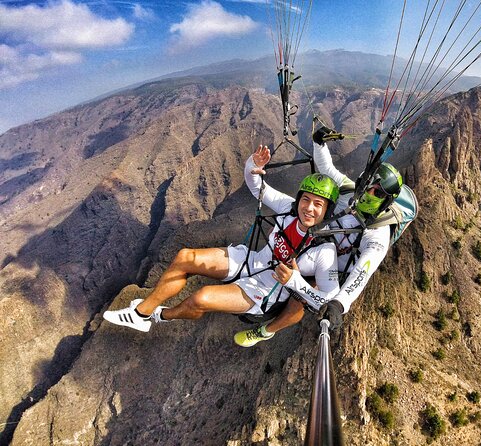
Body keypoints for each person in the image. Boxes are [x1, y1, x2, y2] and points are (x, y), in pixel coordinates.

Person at [103, 145, 341, 338]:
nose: (309, 208)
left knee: (201, 298)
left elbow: (328, 299)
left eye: (318, 204)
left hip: (264, 291)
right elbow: (257, 186)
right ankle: (141, 314)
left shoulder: (325, 250)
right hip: (251, 261)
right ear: (299, 199)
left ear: (327, 210)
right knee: (185, 256)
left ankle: (162, 315)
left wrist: (295, 281)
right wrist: (253, 165)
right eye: (306, 199)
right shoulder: (288, 208)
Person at [234, 127, 404, 346]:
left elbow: (363, 272)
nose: (369, 193)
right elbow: (327, 168)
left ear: (387, 201)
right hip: (315, 244)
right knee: (279, 230)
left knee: (300, 301)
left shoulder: (378, 235)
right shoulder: (350, 191)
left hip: (334, 269)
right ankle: (249, 281)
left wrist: (339, 304)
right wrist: (319, 143)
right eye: (369, 185)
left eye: (378, 193)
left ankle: (266, 330)